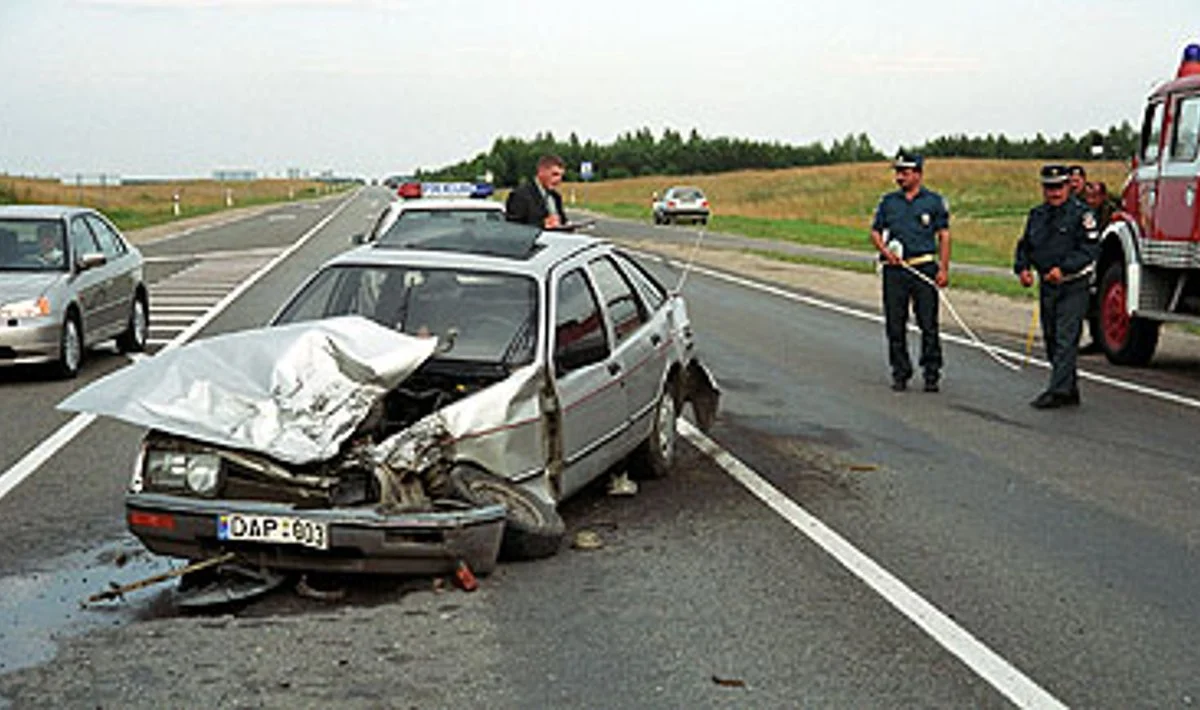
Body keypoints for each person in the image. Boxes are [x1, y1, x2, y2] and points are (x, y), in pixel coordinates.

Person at [1014, 164, 1101, 409]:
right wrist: (1023, 268)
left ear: (1068, 187)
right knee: (1051, 338)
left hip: (1073, 284)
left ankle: (1058, 391)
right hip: (1048, 285)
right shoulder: (1037, 215)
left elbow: (1090, 249)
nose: (1054, 193)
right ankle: (1069, 387)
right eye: (1049, 188)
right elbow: (1025, 245)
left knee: (1066, 337)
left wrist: (1064, 269)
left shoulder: (1082, 215)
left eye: (1059, 187)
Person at [869, 151, 951, 392]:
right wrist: (885, 250)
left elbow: (944, 235)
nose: (899, 177)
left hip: (923, 267)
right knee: (895, 323)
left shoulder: (933, 201)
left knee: (928, 323)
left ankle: (931, 371)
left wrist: (943, 268)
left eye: (904, 172)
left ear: (918, 174)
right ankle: (900, 371)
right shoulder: (888, 202)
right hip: (895, 270)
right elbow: (875, 231)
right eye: (897, 172)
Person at [505, 155, 567, 229]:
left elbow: (562, 222)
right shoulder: (520, 195)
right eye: (555, 174)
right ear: (541, 172)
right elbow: (513, 228)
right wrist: (542, 224)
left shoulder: (556, 197)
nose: (559, 180)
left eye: (561, 176)